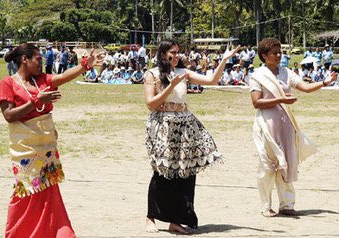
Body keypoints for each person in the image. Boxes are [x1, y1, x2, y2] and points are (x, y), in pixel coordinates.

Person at [0, 43, 104, 237]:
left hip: (46, 148)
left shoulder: (41, 80)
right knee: (26, 190)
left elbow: (62, 77)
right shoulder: (8, 83)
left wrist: (85, 65)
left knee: (48, 190)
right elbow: (9, 115)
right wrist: (37, 101)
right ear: (24, 59)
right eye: (38, 59)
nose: (42, 63)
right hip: (25, 149)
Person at [144, 39, 239, 234]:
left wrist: (224, 60)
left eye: (178, 52)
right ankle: (151, 217)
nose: (176, 56)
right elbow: (151, 104)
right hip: (163, 125)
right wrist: (171, 86)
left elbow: (212, 81)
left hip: (185, 123)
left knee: (186, 172)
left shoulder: (183, 73)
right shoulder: (152, 74)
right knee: (163, 172)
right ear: (163, 54)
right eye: (172, 52)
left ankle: (176, 220)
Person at [249, 38, 337, 218]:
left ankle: (287, 205)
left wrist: (325, 83)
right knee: (267, 165)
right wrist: (281, 100)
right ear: (264, 56)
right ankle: (266, 206)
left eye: (280, 51)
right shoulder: (257, 75)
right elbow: (256, 102)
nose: (279, 55)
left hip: (286, 122)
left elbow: (305, 87)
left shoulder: (286, 73)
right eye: (274, 53)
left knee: (288, 163)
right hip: (267, 124)